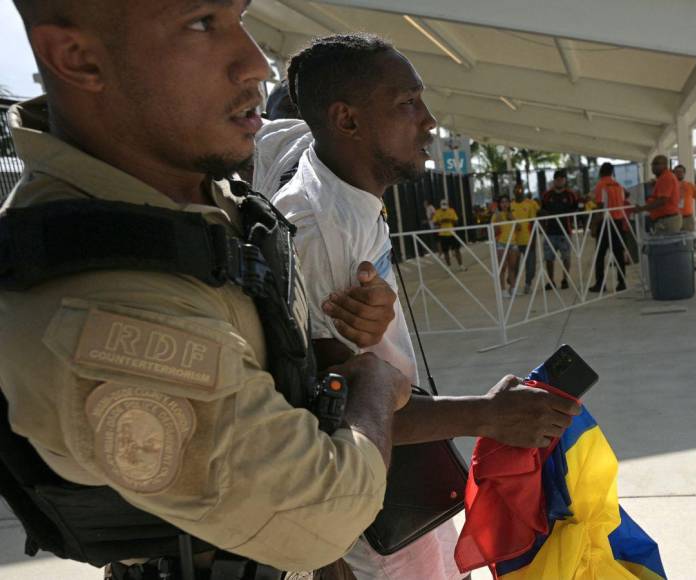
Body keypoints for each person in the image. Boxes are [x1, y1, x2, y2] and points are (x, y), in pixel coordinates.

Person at [0, 3, 417, 578]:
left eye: (239, 16)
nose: (255, 63)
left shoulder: (191, 196)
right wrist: (372, 381)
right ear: (79, 59)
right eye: (202, 23)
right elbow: (322, 513)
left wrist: (337, 344)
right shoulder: (102, 296)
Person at [269, 33, 580, 580]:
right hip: (368, 524)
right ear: (347, 120)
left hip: (397, 490)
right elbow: (332, 412)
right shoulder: (318, 231)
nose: (429, 120)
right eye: (407, 104)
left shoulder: (350, 204)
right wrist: (489, 415)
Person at [589, 163, 627, 292]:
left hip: (605, 222)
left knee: (600, 254)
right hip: (618, 221)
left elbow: (600, 206)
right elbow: (625, 196)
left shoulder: (601, 185)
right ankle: (622, 282)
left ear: (600, 172)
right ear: (612, 172)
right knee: (618, 253)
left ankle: (600, 284)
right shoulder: (618, 185)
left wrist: (594, 225)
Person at [539, 169, 579, 289]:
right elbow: (541, 211)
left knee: (566, 257)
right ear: (554, 180)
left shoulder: (571, 194)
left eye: (562, 179)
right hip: (550, 232)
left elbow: (576, 209)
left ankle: (565, 279)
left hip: (565, 232)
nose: (559, 181)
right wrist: (542, 226)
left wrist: (572, 220)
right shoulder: (547, 195)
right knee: (549, 258)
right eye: (557, 179)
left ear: (565, 180)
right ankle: (550, 281)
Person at [633, 155, 682, 234]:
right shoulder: (664, 177)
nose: (653, 167)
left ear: (664, 165)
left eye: (656, 164)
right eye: (653, 164)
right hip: (666, 219)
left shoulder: (666, 177)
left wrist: (641, 208)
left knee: (665, 245)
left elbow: (662, 201)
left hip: (667, 221)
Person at [509, 185, 538, 294]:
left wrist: (534, 238)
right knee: (513, 265)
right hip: (514, 241)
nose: (518, 191)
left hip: (528, 239)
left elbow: (533, 222)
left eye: (520, 189)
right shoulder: (510, 205)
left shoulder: (529, 205)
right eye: (516, 189)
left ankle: (528, 284)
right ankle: (513, 285)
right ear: (513, 191)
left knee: (530, 264)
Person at [491, 195, 517, 297]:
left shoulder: (512, 213)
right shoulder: (496, 216)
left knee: (512, 267)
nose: (504, 204)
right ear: (499, 204)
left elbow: (518, 227)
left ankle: (513, 287)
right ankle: (503, 290)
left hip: (513, 243)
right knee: (502, 267)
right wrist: (498, 221)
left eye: (506, 202)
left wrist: (512, 219)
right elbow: (494, 231)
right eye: (502, 202)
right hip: (501, 243)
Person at [674, 164, 696, 252]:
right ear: (674, 173)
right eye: (677, 172)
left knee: (690, 239)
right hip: (674, 218)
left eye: (681, 172)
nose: (679, 174)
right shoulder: (671, 185)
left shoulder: (689, 185)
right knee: (676, 241)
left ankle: (691, 256)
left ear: (684, 173)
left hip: (687, 217)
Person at [433, 199, 466, 271]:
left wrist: (450, 220)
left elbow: (456, 222)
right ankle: (449, 266)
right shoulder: (437, 212)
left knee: (457, 250)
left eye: (445, 206)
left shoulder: (451, 211)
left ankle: (461, 265)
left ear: (447, 205)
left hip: (452, 233)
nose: (444, 208)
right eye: (443, 207)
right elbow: (434, 223)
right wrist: (441, 221)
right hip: (443, 234)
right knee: (446, 251)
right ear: (440, 206)